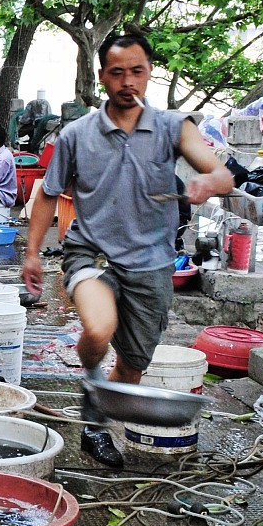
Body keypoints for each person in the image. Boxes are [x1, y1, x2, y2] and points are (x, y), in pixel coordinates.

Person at [21, 32, 236, 469]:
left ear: (149, 73)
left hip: (152, 265)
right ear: (102, 77)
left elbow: (221, 172)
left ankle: (94, 426)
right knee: (99, 330)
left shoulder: (174, 127)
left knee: (133, 366)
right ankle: (90, 378)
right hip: (91, 255)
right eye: (117, 72)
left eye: (136, 71)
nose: (127, 81)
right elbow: (48, 192)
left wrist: (208, 181)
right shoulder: (76, 135)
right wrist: (31, 253)